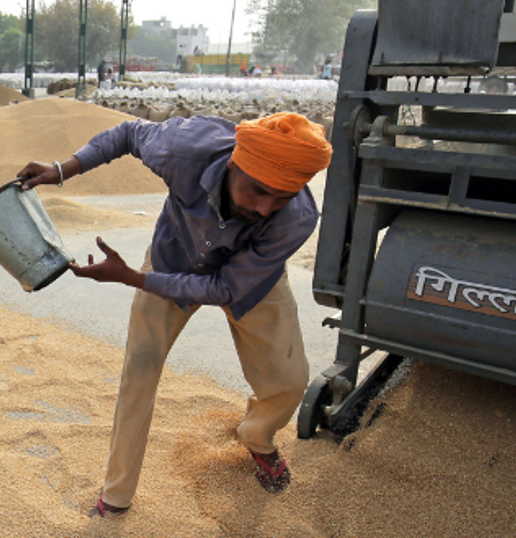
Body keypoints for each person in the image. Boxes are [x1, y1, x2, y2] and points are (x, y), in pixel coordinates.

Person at [17, 112, 332, 514]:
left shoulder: (297, 218)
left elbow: (225, 288)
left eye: (281, 197)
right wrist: (63, 168)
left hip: (250, 280)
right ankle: (116, 495)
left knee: (290, 381)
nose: (266, 207)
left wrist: (133, 278)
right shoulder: (185, 147)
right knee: (139, 373)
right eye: (257, 190)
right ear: (235, 163)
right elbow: (129, 134)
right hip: (174, 258)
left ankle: (257, 437)